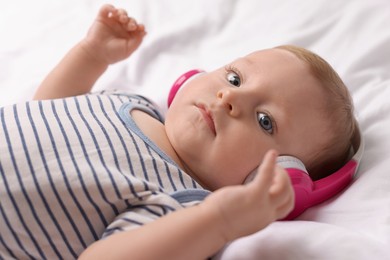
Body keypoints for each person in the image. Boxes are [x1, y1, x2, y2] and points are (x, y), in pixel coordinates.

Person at [0, 4, 356, 260]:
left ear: (280, 173)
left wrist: (220, 220)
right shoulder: (132, 102)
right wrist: (90, 55)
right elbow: (44, 110)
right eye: (235, 77)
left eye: (265, 120)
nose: (230, 97)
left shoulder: (181, 204)